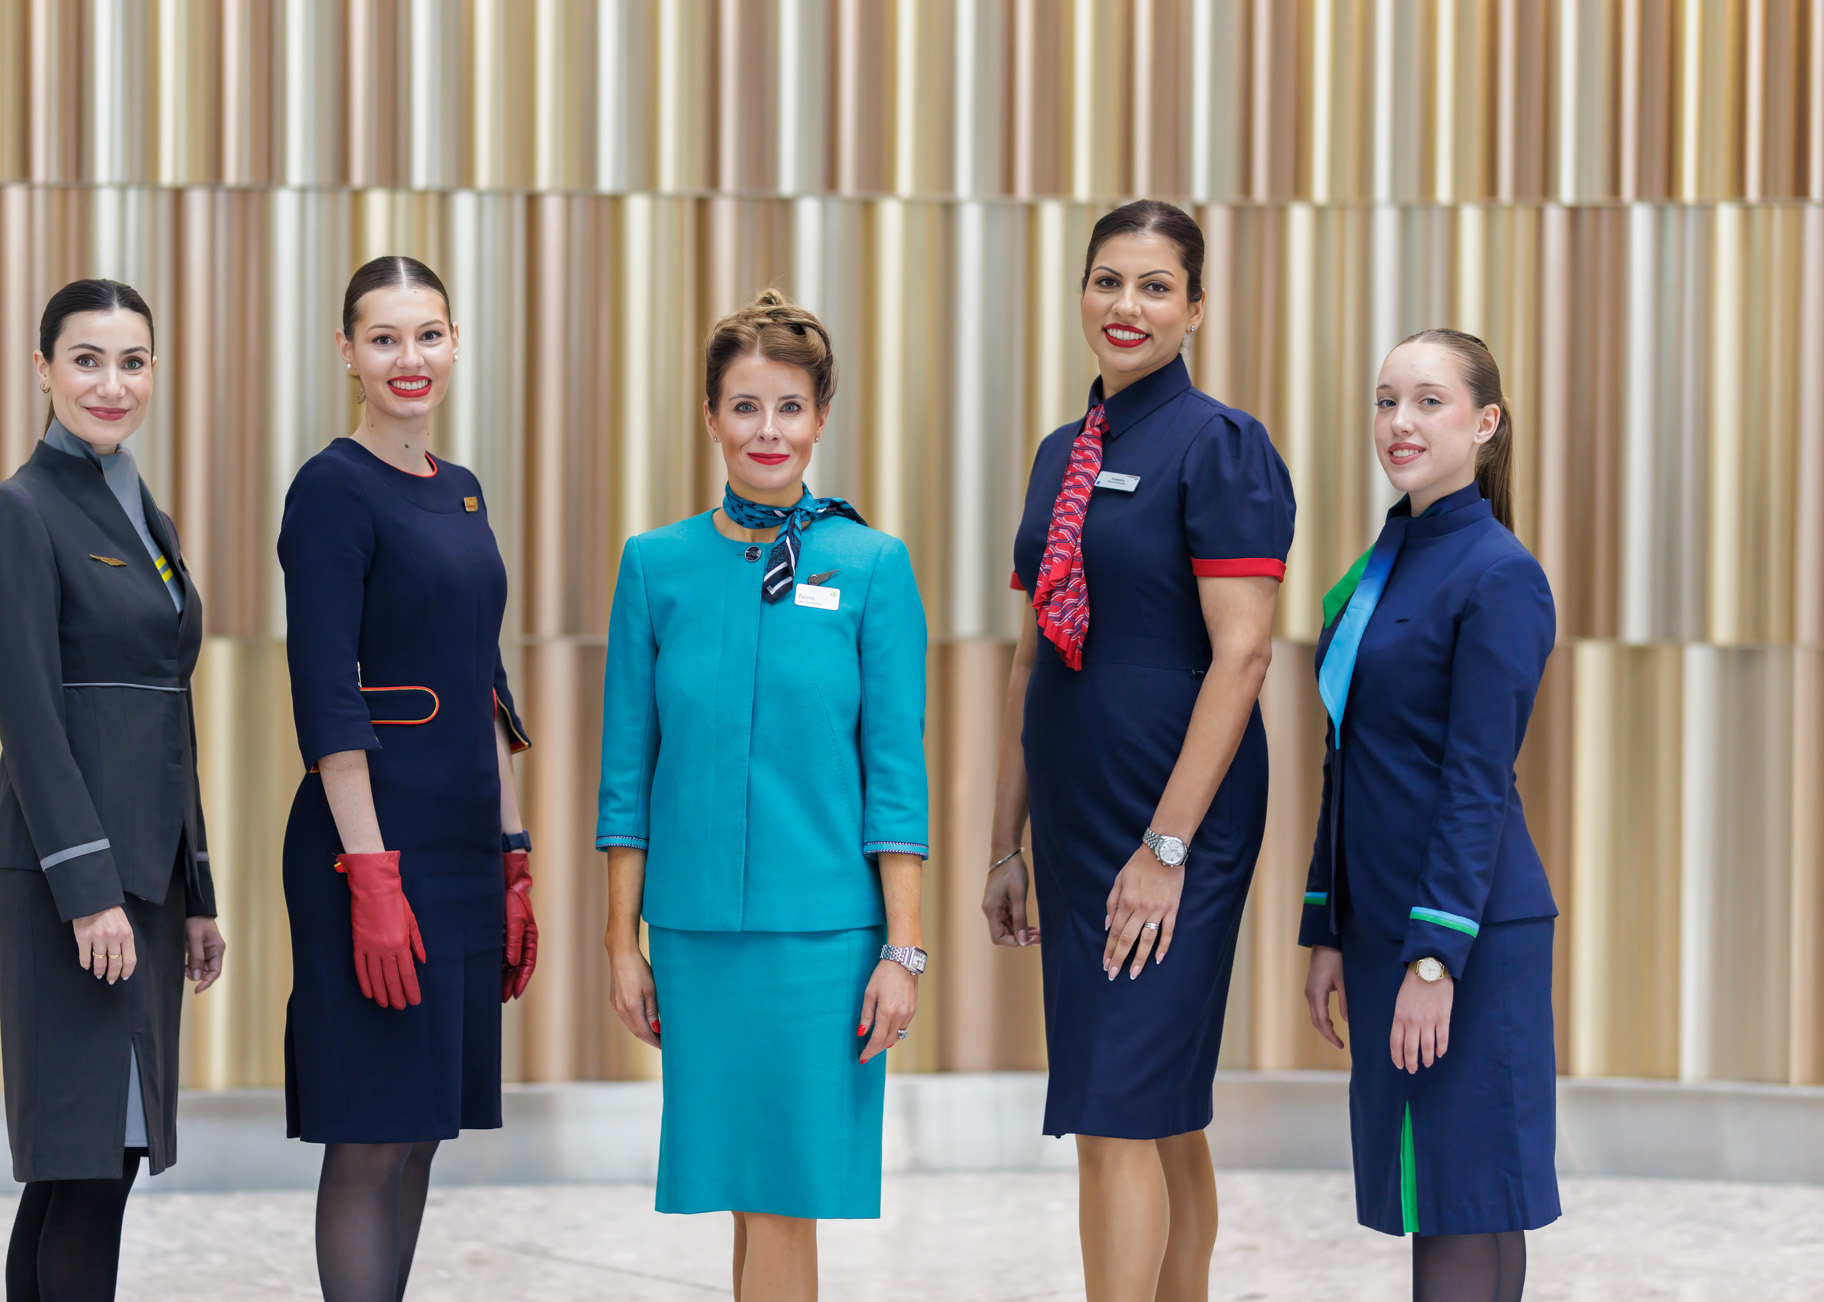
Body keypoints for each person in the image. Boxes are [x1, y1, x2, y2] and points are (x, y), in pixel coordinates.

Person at [982, 201, 1295, 1301]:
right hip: (1072, 816)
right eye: (1106, 280)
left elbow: (1243, 658)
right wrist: (1002, 838)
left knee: (1117, 1102)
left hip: (1176, 817)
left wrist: (1164, 846)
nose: (1126, 305)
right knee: (1147, 1105)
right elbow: (1030, 659)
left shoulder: (1220, 446)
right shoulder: (1061, 453)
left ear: (1195, 307)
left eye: (1155, 285)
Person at [597, 290, 928, 1302]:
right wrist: (621, 940)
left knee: (785, 1196)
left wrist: (900, 950)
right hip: (696, 936)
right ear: (708, 417)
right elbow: (626, 771)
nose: (767, 431)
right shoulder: (654, 567)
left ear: (821, 416)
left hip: (821, 940)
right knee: (745, 1196)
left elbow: (894, 778)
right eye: (744, 407)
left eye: (788, 407)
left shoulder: (872, 567)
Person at [0, 278, 228, 1302]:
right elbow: (29, 720)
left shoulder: (140, 514)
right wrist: (90, 891)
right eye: (85, 359)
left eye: (132, 361)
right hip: (73, 889)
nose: (110, 383)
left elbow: (166, 709)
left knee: (94, 1167)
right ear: (42, 369)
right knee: (80, 1162)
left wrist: (194, 887)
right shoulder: (16, 514)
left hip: (144, 890)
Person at [277, 256, 537, 1302]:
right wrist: (368, 869)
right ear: (347, 354)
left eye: (426, 334)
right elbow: (326, 689)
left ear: (454, 341)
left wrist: (514, 855)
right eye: (384, 338)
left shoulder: (463, 490)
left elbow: (485, 680)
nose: (408, 358)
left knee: (425, 1127)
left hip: (464, 846)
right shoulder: (330, 488)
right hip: (369, 846)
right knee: (373, 1130)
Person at [1300, 330, 1559, 1302]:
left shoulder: (1496, 574)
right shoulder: (1380, 563)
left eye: (1427, 402)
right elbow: (1344, 753)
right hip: (1382, 929)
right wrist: (1328, 925)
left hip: (1465, 931)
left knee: (1464, 1190)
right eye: (1383, 401)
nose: (1398, 423)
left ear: (1484, 424)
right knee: (1445, 1187)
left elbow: (1472, 778)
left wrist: (1430, 956)